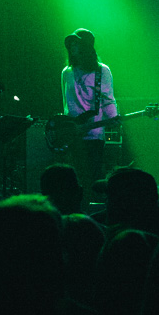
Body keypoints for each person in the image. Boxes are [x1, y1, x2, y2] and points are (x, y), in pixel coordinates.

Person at [61, 28, 117, 204]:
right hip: (71, 135)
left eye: (76, 42)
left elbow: (108, 100)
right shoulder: (66, 72)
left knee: (91, 179)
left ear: (85, 46)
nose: (72, 45)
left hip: (93, 134)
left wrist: (114, 118)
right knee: (72, 180)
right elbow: (66, 104)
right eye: (70, 43)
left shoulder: (102, 71)